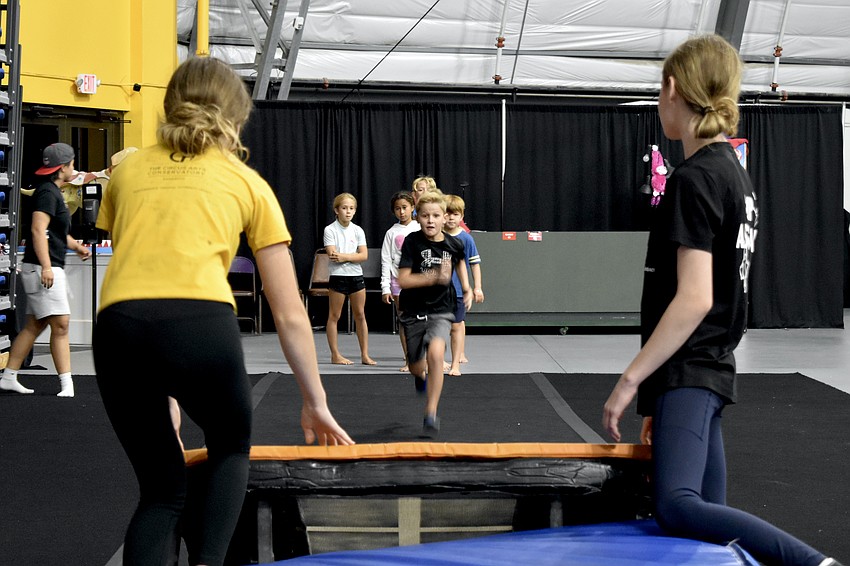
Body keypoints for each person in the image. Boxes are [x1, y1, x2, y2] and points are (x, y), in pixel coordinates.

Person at [92, 56, 354, 566]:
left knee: (161, 492)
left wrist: (158, 385)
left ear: (170, 104)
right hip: (199, 325)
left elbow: (139, 266)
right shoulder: (246, 183)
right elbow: (290, 312)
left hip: (120, 328)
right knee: (231, 446)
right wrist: (314, 400)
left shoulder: (126, 175)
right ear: (237, 116)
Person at [601, 35, 841, 566]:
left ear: (671, 89)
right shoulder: (735, 174)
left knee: (679, 507)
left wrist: (631, 380)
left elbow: (694, 298)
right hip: (708, 368)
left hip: (693, 366)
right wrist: (660, 396)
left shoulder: (694, 179)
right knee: (707, 512)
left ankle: (812, 562)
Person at [0, 143, 91, 397]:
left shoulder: (51, 192)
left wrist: (75, 247)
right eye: (72, 164)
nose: (74, 168)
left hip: (43, 266)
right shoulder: (47, 193)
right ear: (63, 168)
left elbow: (55, 231)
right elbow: (38, 230)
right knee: (61, 324)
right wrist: (47, 267)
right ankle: (67, 385)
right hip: (44, 268)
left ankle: (9, 376)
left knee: (35, 325)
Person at [397, 190, 472, 437]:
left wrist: (469, 288)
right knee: (416, 366)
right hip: (414, 309)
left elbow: (461, 261)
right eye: (426, 216)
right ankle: (418, 375)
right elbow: (404, 280)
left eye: (436, 216)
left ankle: (431, 412)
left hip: (442, 309)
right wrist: (432, 277)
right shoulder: (412, 242)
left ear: (445, 219)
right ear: (418, 218)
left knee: (437, 354)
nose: (431, 220)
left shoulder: (454, 243)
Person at [323, 193, 376, 366]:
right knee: (334, 315)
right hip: (338, 277)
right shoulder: (330, 230)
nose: (348, 212)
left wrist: (345, 256)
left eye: (351, 208)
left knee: (360, 314)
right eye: (344, 208)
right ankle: (335, 354)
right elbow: (332, 255)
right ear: (336, 210)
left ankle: (365, 355)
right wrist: (353, 256)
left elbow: (364, 255)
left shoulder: (358, 230)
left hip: (356, 276)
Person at [443, 194, 483, 376]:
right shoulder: (435, 236)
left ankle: (455, 364)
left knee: (457, 325)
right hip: (438, 291)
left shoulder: (466, 239)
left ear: (461, 216)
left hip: (458, 291)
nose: (451, 217)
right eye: (447, 213)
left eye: (455, 214)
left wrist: (477, 287)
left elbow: (474, 264)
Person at [380, 191, 420, 371]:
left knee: (421, 320)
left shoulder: (420, 228)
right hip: (398, 282)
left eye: (405, 207)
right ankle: (408, 359)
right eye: (397, 209)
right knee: (404, 321)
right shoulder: (391, 232)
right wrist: (385, 288)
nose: (401, 212)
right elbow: (386, 260)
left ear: (412, 207)